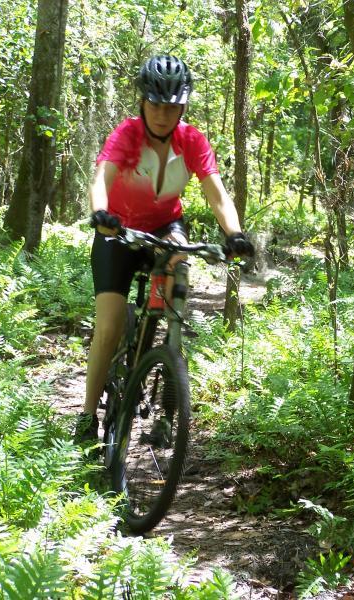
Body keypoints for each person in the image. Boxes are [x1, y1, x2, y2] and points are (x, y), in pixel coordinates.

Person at [75, 55, 254, 443]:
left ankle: (167, 406)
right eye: (155, 104)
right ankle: (88, 416)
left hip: (165, 226)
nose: (162, 113)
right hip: (117, 229)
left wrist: (234, 233)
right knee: (107, 327)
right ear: (142, 102)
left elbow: (216, 192)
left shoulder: (192, 140)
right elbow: (101, 179)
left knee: (177, 285)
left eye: (172, 106)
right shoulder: (127, 135)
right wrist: (101, 212)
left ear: (183, 107)